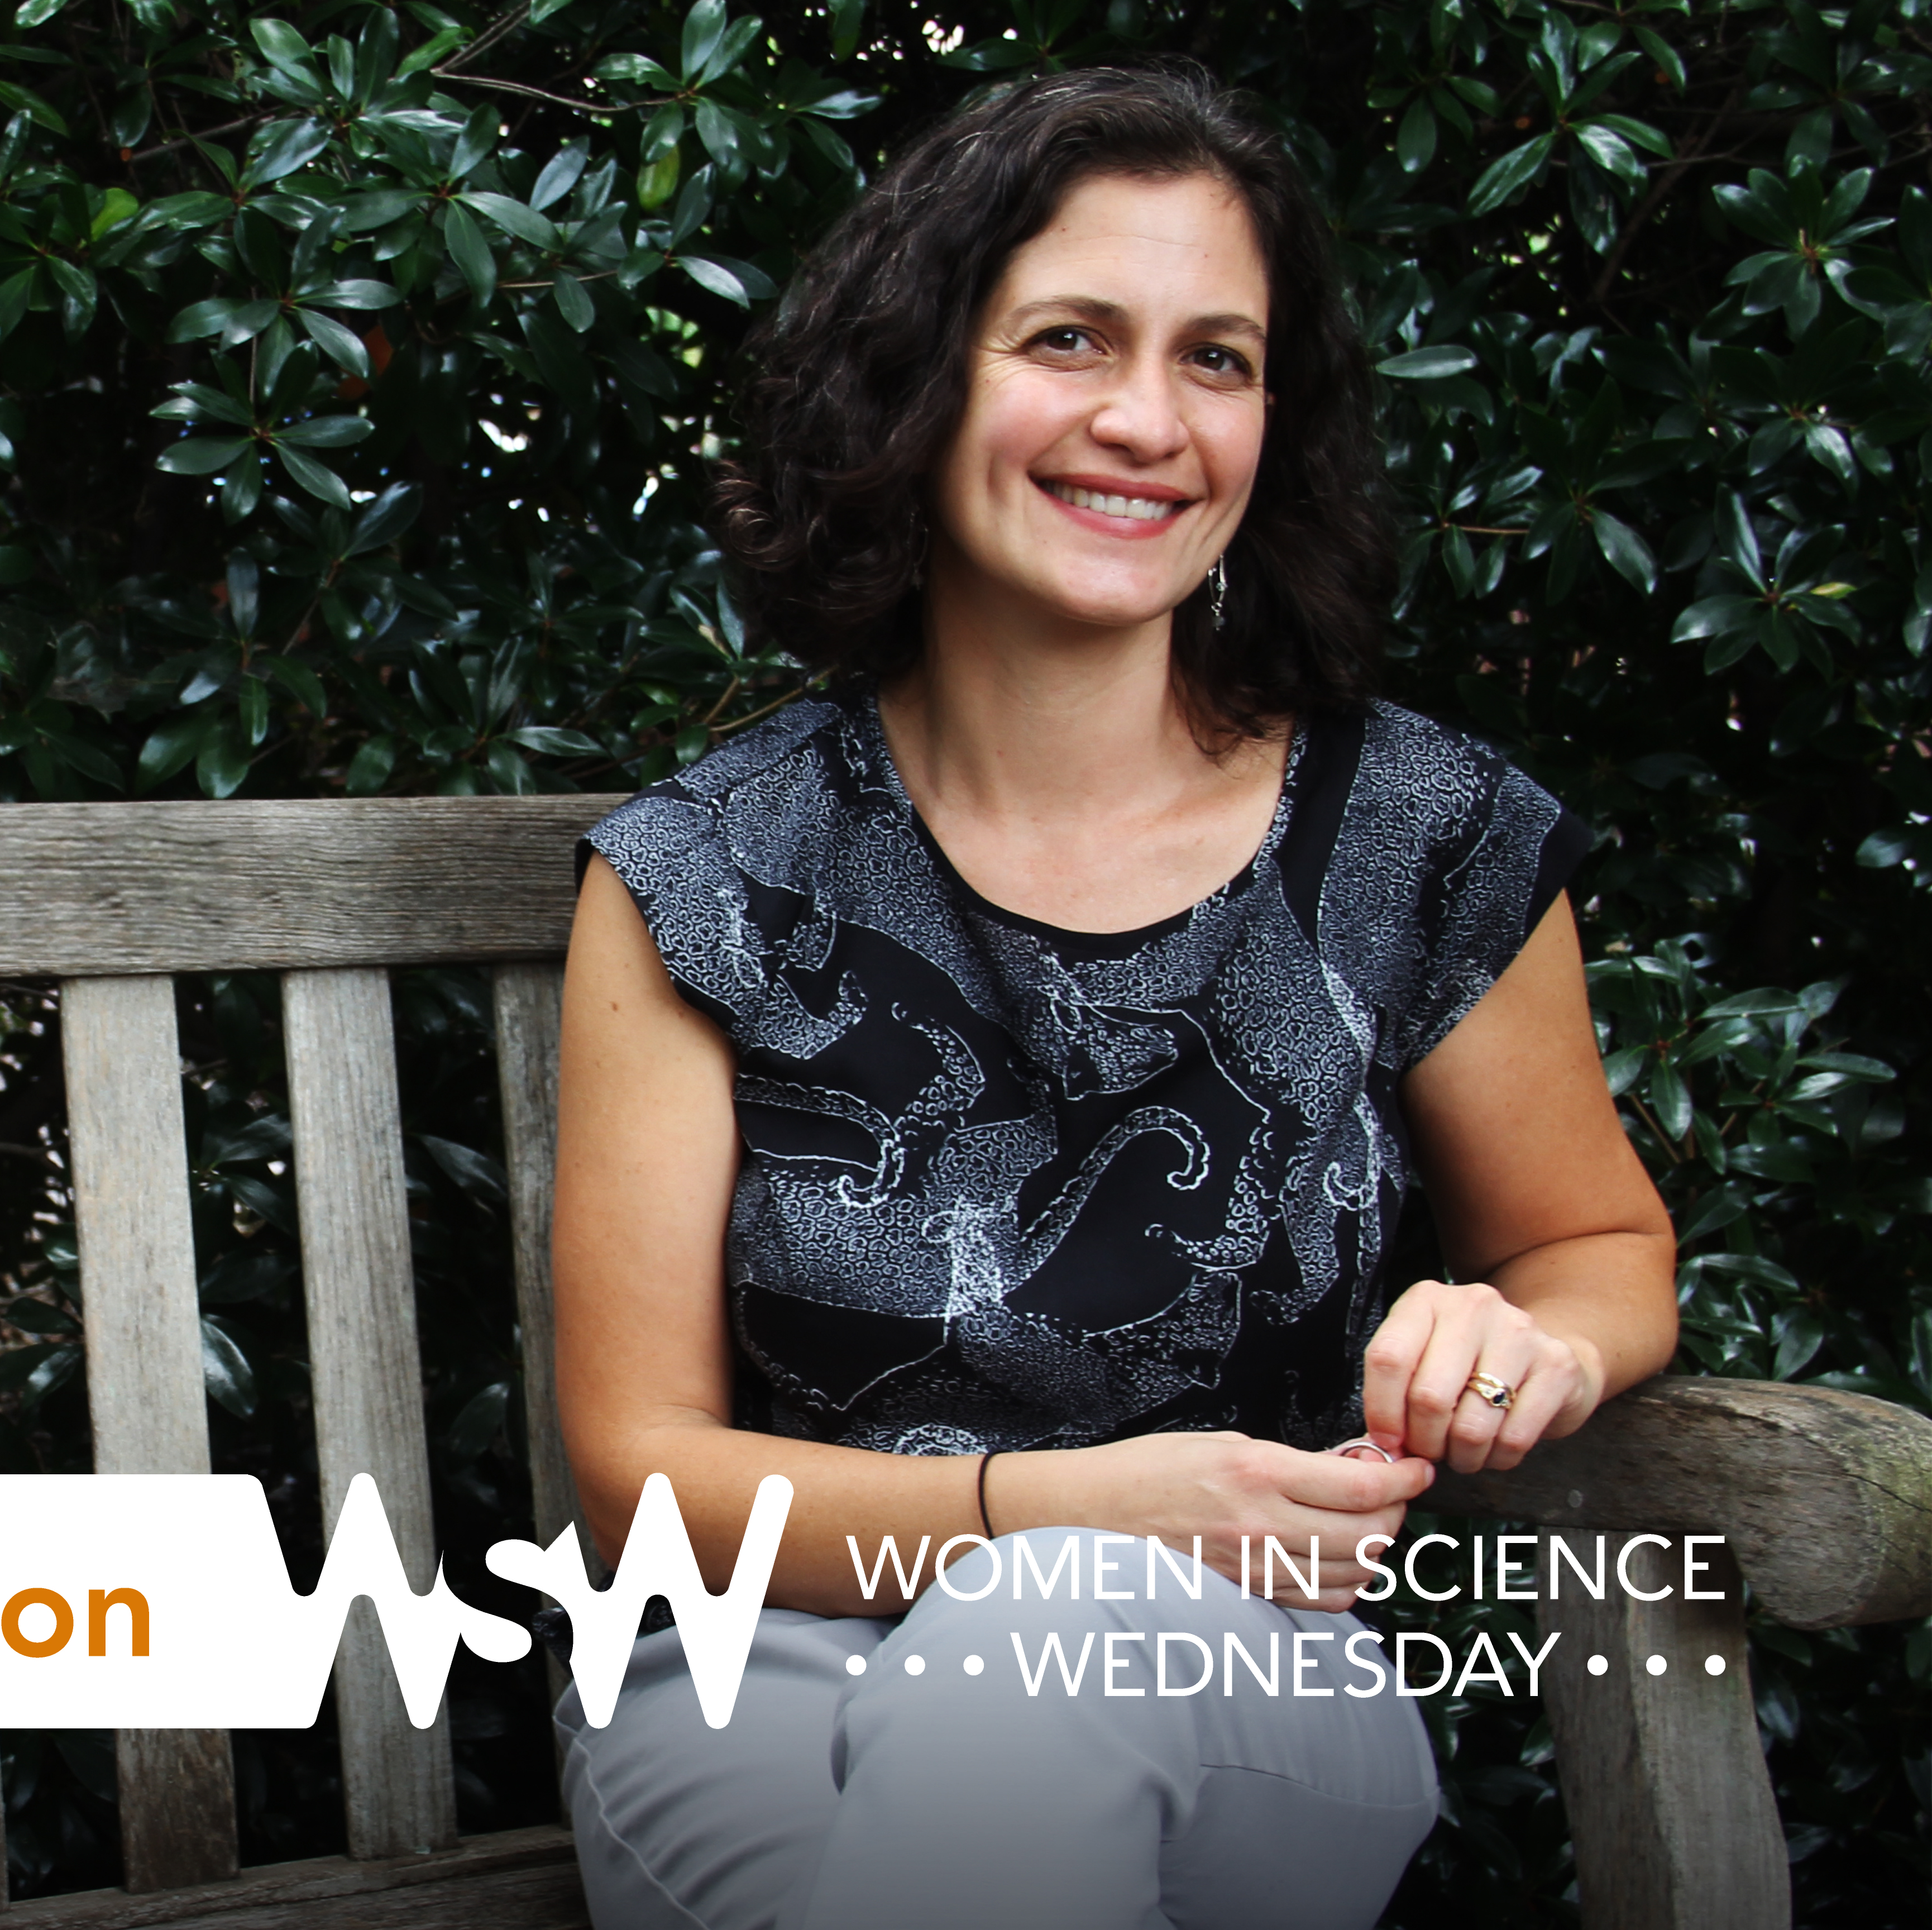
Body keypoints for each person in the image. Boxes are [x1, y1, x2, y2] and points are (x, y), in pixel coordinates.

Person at [548, 61, 1678, 1930]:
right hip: (769, 1678)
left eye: (1217, 360)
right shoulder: (709, 872)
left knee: (1047, 1650)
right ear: (921, 387)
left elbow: (1600, 1245)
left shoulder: (1411, 833)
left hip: (1248, 1690)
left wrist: (1532, 1339)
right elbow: (640, 1481)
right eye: (1072, 338)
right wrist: (1056, 1510)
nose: (1148, 420)